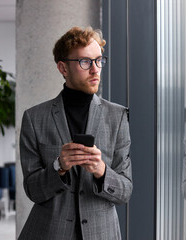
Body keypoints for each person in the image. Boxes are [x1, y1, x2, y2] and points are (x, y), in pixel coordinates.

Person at [19, 26, 133, 240]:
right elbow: (33, 191)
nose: (95, 69)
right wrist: (59, 167)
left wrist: (101, 170)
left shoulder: (117, 116)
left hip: (102, 233)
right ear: (63, 68)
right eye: (85, 62)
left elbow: (125, 191)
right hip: (48, 233)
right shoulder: (34, 118)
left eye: (99, 60)